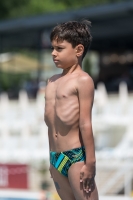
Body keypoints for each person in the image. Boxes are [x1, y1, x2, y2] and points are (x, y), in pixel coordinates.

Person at [44, 20, 99, 200]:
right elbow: (51, 126)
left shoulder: (82, 80)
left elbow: (85, 124)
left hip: (76, 158)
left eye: (59, 48)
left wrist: (90, 163)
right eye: (53, 48)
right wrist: (51, 160)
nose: (53, 53)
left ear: (78, 50)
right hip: (55, 158)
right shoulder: (51, 82)